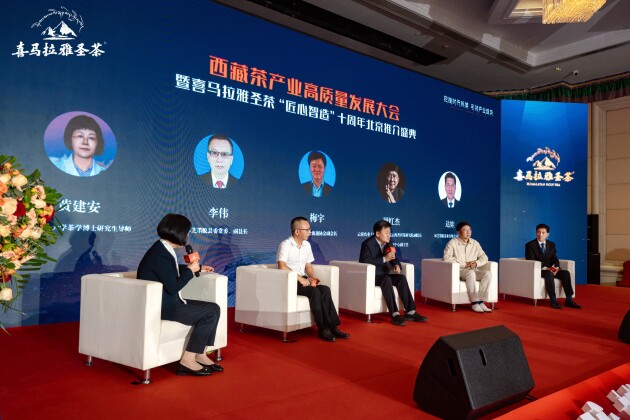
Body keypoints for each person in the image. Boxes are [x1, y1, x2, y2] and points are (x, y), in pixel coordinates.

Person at [137, 214, 223, 376]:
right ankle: (187, 360)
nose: (188, 236)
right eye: (187, 232)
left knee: (214, 307)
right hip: (162, 306)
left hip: (169, 300)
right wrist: (190, 271)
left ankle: (200, 353)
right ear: (177, 232)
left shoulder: (163, 249)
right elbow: (173, 286)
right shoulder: (159, 253)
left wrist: (198, 268)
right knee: (209, 313)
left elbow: (169, 271)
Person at [277, 216, 349, 341]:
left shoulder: (307, 245)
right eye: (307, 229)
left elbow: (308, 266)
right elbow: (282, 266)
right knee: (314, 291)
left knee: (325, 289)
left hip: (303, 280)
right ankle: (323, 329)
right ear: (297, 231)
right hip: (289, 282)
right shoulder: (285, 245)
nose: (309, 232)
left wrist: (312, 277)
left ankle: (333, 327)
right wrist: (300, 278)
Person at [359, 220, 427, 325]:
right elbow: (364, 260)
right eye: (386, 233)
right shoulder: (367, 244)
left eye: (389, 233)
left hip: (384, 274)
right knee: (387, 279)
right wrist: (384, 259)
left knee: (401, 278)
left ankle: (410, 311)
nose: (389, 235)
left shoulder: (388, 243)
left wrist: (396, 265)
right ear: (377, 233)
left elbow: (394, 258)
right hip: (372, 276)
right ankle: (395, 314)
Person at [525, 223, 581, 309]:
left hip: (550, 269)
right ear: (536, 233)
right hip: (538, 270)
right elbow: (531, 260)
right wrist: (547, 268)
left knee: (566, 273)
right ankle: (553, 300)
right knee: (548, 273)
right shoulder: (530, 245)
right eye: (538, 232)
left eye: (543, 232)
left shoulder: (551, 244)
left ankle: (569, 300)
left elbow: (555, 259)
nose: (540, 234)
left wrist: (556, 268)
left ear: (547, 234)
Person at [443, 221, 493, 313]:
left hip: (473, 269)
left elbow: (484, 257)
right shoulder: (452, 243)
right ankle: (475, 302)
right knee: (470, 273)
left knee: (487, 274)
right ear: (458, 232)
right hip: (460, 271)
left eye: (469, 230)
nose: (468, 232)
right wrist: (464, 264)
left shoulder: (475, 243)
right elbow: (447, 258)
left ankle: (481, 301)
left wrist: (476, 263)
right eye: (465, 230)